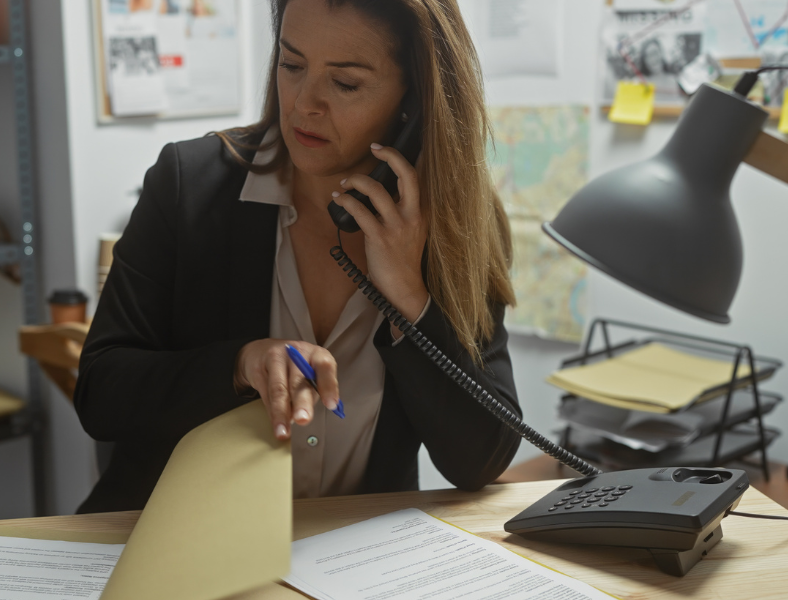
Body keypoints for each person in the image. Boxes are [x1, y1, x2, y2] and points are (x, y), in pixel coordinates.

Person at [74, 0, 521, 514]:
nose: (304, 104)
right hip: (180, 543)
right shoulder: (187, 186)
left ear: (414, 97)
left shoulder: (454, 225)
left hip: (350, 561)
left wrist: (409, 298)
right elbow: (101, 394)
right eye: (291, 65)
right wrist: (240, 365)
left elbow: (480, 459)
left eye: (345, 84)